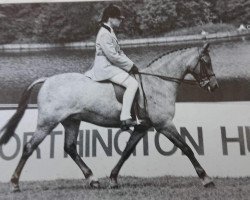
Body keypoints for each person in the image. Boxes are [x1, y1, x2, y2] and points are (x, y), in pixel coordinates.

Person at [85, 4, 140, 130]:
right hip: (105, 68)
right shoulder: (104, 33)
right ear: (110, 18)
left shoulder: (110, 31)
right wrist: (130, 66)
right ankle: (125, 117)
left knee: (132, 77)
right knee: (133, 84)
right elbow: (113, 56)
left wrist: (132, 64)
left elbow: (119, 52)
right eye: (118, 18)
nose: (121, 21)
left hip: (109, 65)